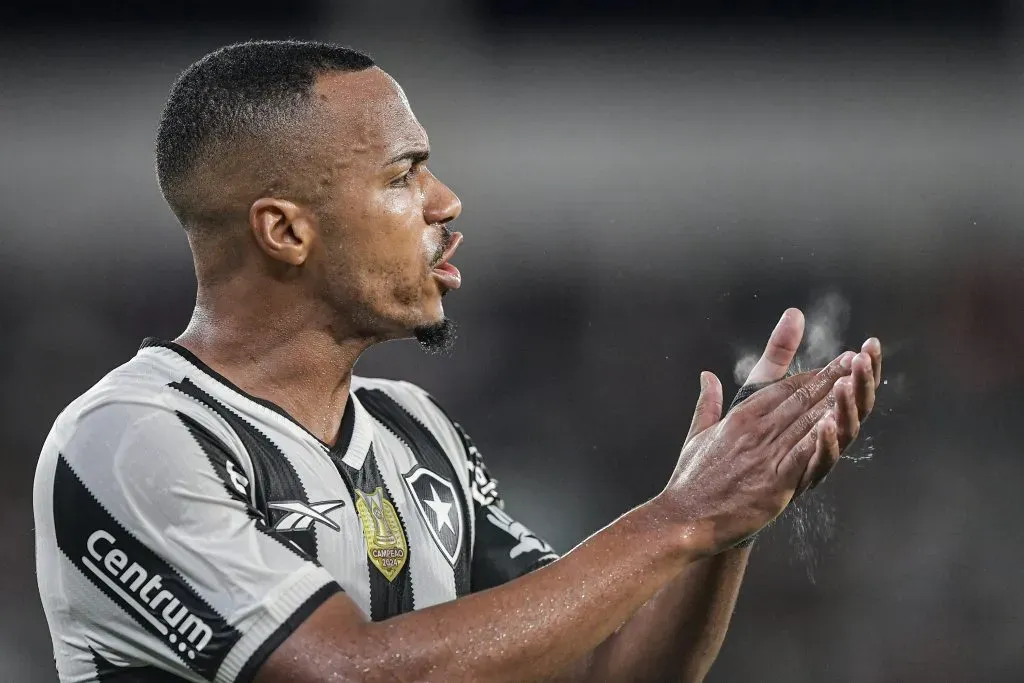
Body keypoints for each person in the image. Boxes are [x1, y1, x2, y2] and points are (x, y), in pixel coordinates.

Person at [33, 40, 883, 683]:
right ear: (285, 230)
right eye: (404, 174)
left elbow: (614, 667)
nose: (445, 201)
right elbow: (346, 672)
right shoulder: (132, 438)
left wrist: (729, 516)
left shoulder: (415, 430)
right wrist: (677, 517)